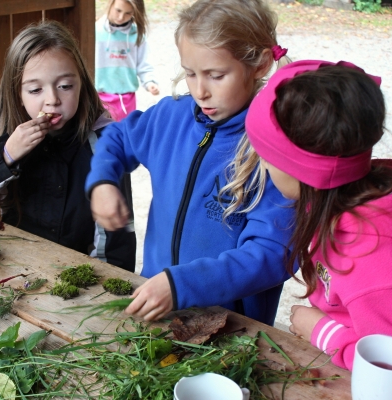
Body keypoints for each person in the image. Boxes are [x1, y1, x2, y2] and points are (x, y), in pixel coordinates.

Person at [86, 0, 295, 325]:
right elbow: (119, 137)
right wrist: (102, 181)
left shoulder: (275, 151)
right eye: (190, 73)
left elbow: (272, 254)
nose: (200, 91)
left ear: (260, 64)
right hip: (158, 305)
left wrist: (183, 285)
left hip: (230, 327)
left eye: (216, 75)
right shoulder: (171, 117)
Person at [0, 21, 136, 272]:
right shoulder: (9, 134)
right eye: (35, 90)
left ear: (82, 85)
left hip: (78, 281)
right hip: (14, 271)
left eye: (65, 86)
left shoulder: (106, 145)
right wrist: (5, 156)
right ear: (17, 94)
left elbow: (116, 243)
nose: (52, 100)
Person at [245, 59, 392, 371]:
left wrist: (323, 332)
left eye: (266, 156)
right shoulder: (334, 192)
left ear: (303, 171)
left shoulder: (370, 254)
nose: (263, 166)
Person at [95, 0, 160, 121]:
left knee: (124, 134)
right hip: (99, 96)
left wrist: (149, 82)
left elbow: (143, 64)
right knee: (102, 135)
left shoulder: (137, 35)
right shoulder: (95, 31)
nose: (121, 17)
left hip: (126, 98)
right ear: (111, 3)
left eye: (128, 13)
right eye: (118, 10)